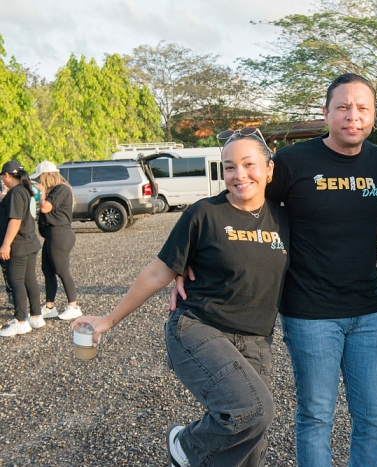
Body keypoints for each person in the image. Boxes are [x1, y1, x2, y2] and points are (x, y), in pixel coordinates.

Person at [71, 130, 290, 467]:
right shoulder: (204, 214)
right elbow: (157, 273)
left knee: (251, 445)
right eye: (229, 167)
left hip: (256, 341)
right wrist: (108, 320)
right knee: (253, 410)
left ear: (269, 169)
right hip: (199, 328)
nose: (239, 175)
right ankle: (185, 445)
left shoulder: (284, 218)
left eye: (249, 164)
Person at [266, 73, 377, 467]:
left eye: (363, 108)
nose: (353, 116)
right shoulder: (292, 162)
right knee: (317, 416)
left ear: (373, 115)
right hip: (310, 313)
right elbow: (244, 204)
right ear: (326, 112)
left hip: (368, 311)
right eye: (343, 107)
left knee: (374, 417)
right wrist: (191, 258)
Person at [30, 161, 82, 320]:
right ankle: (49, 306)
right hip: (52, 234)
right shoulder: (56, 190)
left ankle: (73, 306)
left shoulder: (61, 189)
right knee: (47, 270)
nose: (39, 181)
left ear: (48, 176)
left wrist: (42, 193)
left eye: (40, 178)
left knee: (62, 270)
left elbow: (45, 207)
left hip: (60, 233)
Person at [0, 160, 43, 336]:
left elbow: (15, 220)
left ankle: (20, 321)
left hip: (18, 244)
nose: (3, 180)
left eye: (3, 176)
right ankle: (35, 316)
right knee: (29, 280)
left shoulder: (16, 193)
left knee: (16, 281)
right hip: (29, 242)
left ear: (7, 175)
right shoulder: (24, 190)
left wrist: (5, 244)